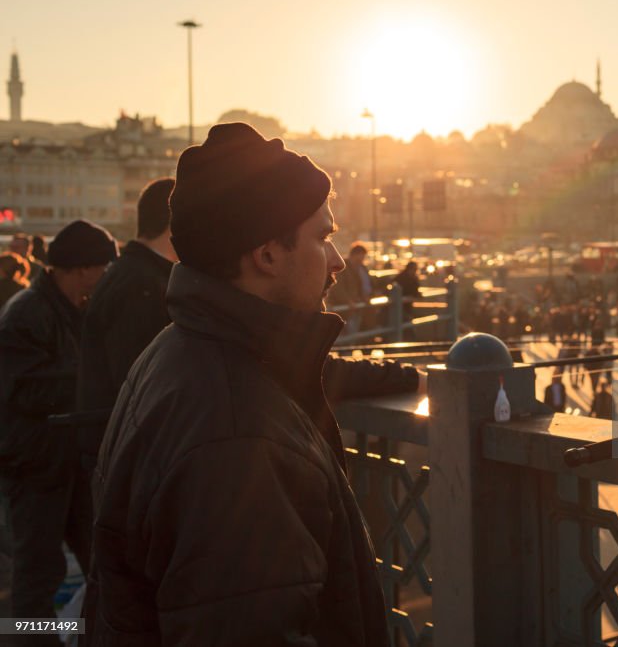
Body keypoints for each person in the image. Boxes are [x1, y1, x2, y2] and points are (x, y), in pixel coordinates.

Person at [87, 123, 420, 645]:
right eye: (323, 237)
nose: (336, 262)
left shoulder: (177, 352)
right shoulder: (238, 434)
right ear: (266, 254)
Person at [0, 219, 118, 638]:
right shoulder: (27, 313)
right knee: (36, 579)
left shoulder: (68, 309)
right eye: (105, 267)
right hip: (37, 467)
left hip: (68, 462)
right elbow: (23, 390)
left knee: (102, 563)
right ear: (85, 268)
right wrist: (93, 377)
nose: (107, 277)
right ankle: (29, 638)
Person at [76, 178, 178, 461]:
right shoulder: (141, 284)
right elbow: (140, 382)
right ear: (175, 223)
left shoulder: (134, 273)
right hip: (131, 452)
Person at [331, 242, 373, 334]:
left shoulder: (360, 267)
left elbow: (362, 285)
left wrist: (364, 297)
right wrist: (347, 301)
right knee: (345, 334)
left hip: (355, 307)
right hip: (344, 308)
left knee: (354, 333)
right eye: (362, 256)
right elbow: (337, 287)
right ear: (355, 254)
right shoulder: (342, 267)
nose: (363, 259)